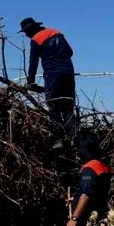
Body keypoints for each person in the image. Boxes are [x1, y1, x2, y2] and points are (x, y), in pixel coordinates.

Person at [20, 16, 77, 149]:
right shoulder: (57, 33)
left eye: (26, 32)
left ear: (30, 30)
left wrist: (30, 82)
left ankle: (58, 141)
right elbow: (70, 52)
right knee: (68, 107)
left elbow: (33, 63)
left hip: (53, 75)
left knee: (54, 108)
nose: (27, 35)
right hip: (68, 73)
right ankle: (74, 139)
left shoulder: (36, 40)